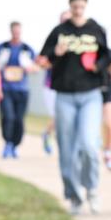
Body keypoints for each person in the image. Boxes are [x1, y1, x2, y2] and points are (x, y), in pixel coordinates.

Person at [38, 0, 109, 215]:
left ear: (86, 5)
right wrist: (55, 53)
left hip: (90, 94)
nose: (77, 11)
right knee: (67, 149)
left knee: (89, 145)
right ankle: (74, 195)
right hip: (65, 95)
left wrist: (98, 66)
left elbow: (108, 55)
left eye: (81, 7)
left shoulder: (95, 29)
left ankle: (92, 189)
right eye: (74, 7)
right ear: (69, 6)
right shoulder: (60, 31)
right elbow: (43, 58)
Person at [0, 22, 37, 159]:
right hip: (6, 89)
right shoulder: (2, 48)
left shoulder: (27, 49)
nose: (16, 34)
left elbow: (36, 67)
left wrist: (28, 66)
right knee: (8, 117)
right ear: (11, 31)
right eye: (14, 31)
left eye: (18, 31)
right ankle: (7, 143)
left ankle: (15, 145)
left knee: (19, 119)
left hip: (22, 90)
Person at [41, 10, 71, 156]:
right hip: (51, 85)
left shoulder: (78, 38)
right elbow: (42, 61)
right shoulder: (54, 38)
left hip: (70, 86)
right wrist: (55, 57)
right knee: (59, 116)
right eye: (63, 19)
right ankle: (48, 134)